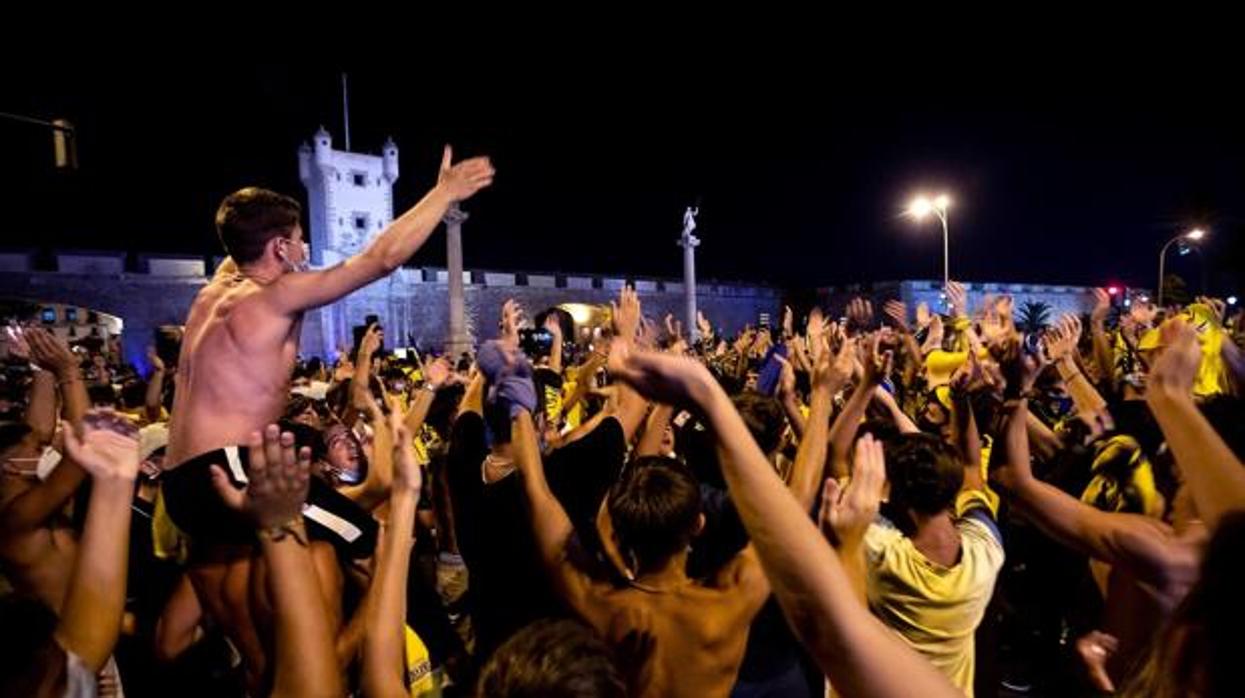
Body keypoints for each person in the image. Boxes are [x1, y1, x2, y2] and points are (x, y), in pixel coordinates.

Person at [157, 146, 492, 690]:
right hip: (229, 469)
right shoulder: (275, 295)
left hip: (183, 483)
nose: (308, 248)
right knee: (376, 544)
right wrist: (444, 193)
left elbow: (239, 233)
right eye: (298, 240)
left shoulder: (215, 289)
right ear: (280, 247)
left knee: (266, 592)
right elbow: (379, 259)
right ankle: (448, 656)